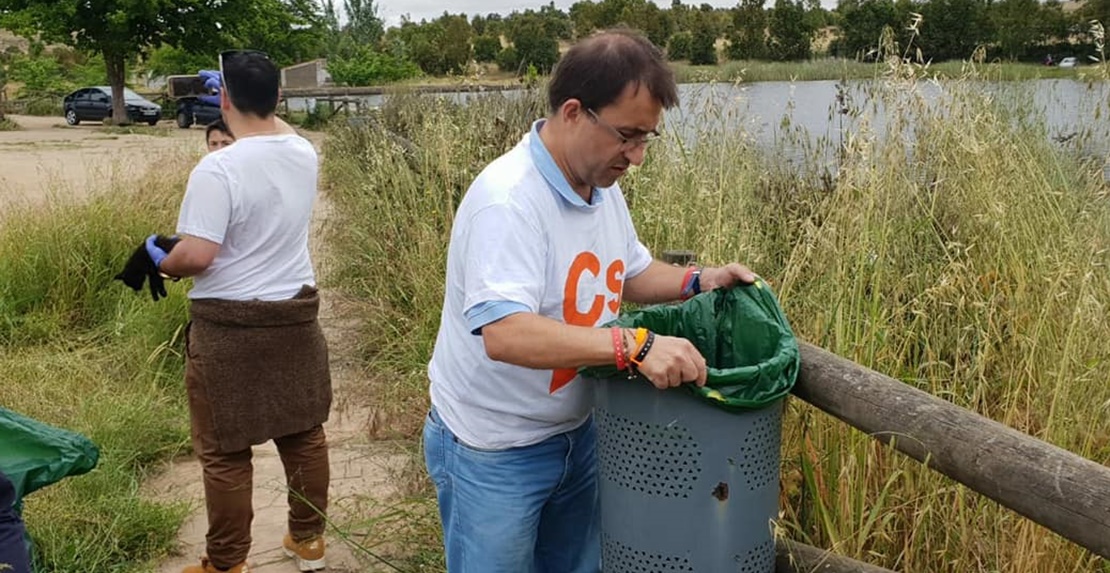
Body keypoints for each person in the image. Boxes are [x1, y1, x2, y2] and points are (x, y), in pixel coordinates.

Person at [423, 28, 757, 572]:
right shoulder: (508, 200)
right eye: (627, 135)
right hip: (493, 451)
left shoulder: (600, 189)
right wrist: (635, 346)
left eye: (648, 138)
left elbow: (627, 272)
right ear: (574, 111)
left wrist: (701, 281)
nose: (638, 157)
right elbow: (504, 333)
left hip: (578, 435)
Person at [146, 49, 332, 573]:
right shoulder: (303, 152)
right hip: (295, 318)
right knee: (303, 435)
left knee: (225, 453)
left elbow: (198, 255)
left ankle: (226, 564)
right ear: (277, 97)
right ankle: (308, 540)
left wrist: (163, 261)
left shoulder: (217, 168)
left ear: (222, 97)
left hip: (229, 327)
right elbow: (276, 125)